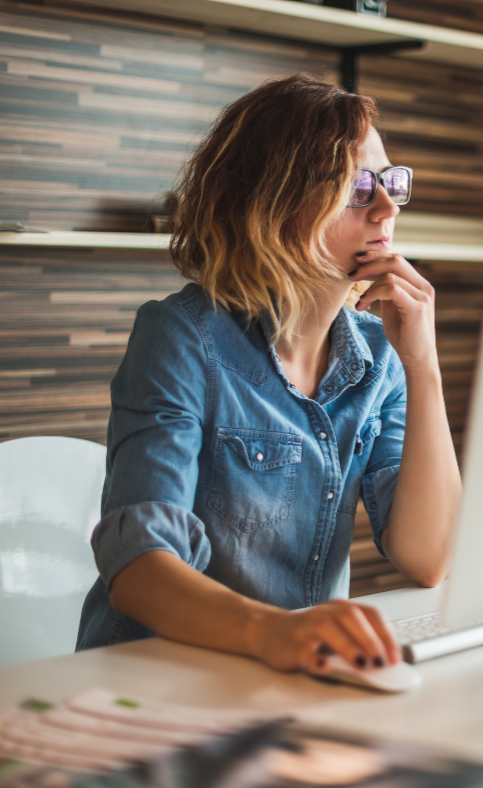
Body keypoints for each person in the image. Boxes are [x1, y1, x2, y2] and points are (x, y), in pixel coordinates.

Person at [75, 74, 462, 676]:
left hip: (293, 676)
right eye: (358, 187)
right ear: (273, 201)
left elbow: (429, 557)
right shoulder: (180, 337)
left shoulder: (381, 357)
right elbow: (138, 568)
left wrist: (424, 365)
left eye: (391, 183)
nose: (388, 208)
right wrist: (276, 633)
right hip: (157, 681)